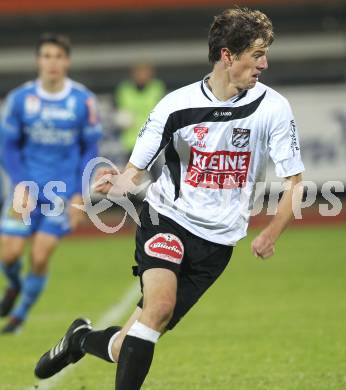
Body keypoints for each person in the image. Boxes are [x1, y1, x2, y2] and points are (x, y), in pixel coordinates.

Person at [34, 7, 304, 389]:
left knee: (127, 342)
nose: (265, 62)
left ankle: (78, 339)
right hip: (167, 219)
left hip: (218, 243)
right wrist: (117, 183)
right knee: (158, 308)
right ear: (228, 55)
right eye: (257, 54)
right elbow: (136, 170)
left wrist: (271, 233)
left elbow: (296, 181)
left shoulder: (273, 108)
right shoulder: (175, 106)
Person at [0, 33, 102, 333]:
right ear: (38, 60)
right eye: (46, 56)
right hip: (25, 190)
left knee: (41, 254)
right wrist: (20, 184)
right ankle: (15, 285)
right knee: (9, 253)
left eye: (58, 57)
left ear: (67, 61)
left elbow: (90, 150)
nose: (52, 63)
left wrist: (80, 195)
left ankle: (19, 316)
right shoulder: (21, 99)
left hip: (61, 194)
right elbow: (7, 147)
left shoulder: (83, 101)